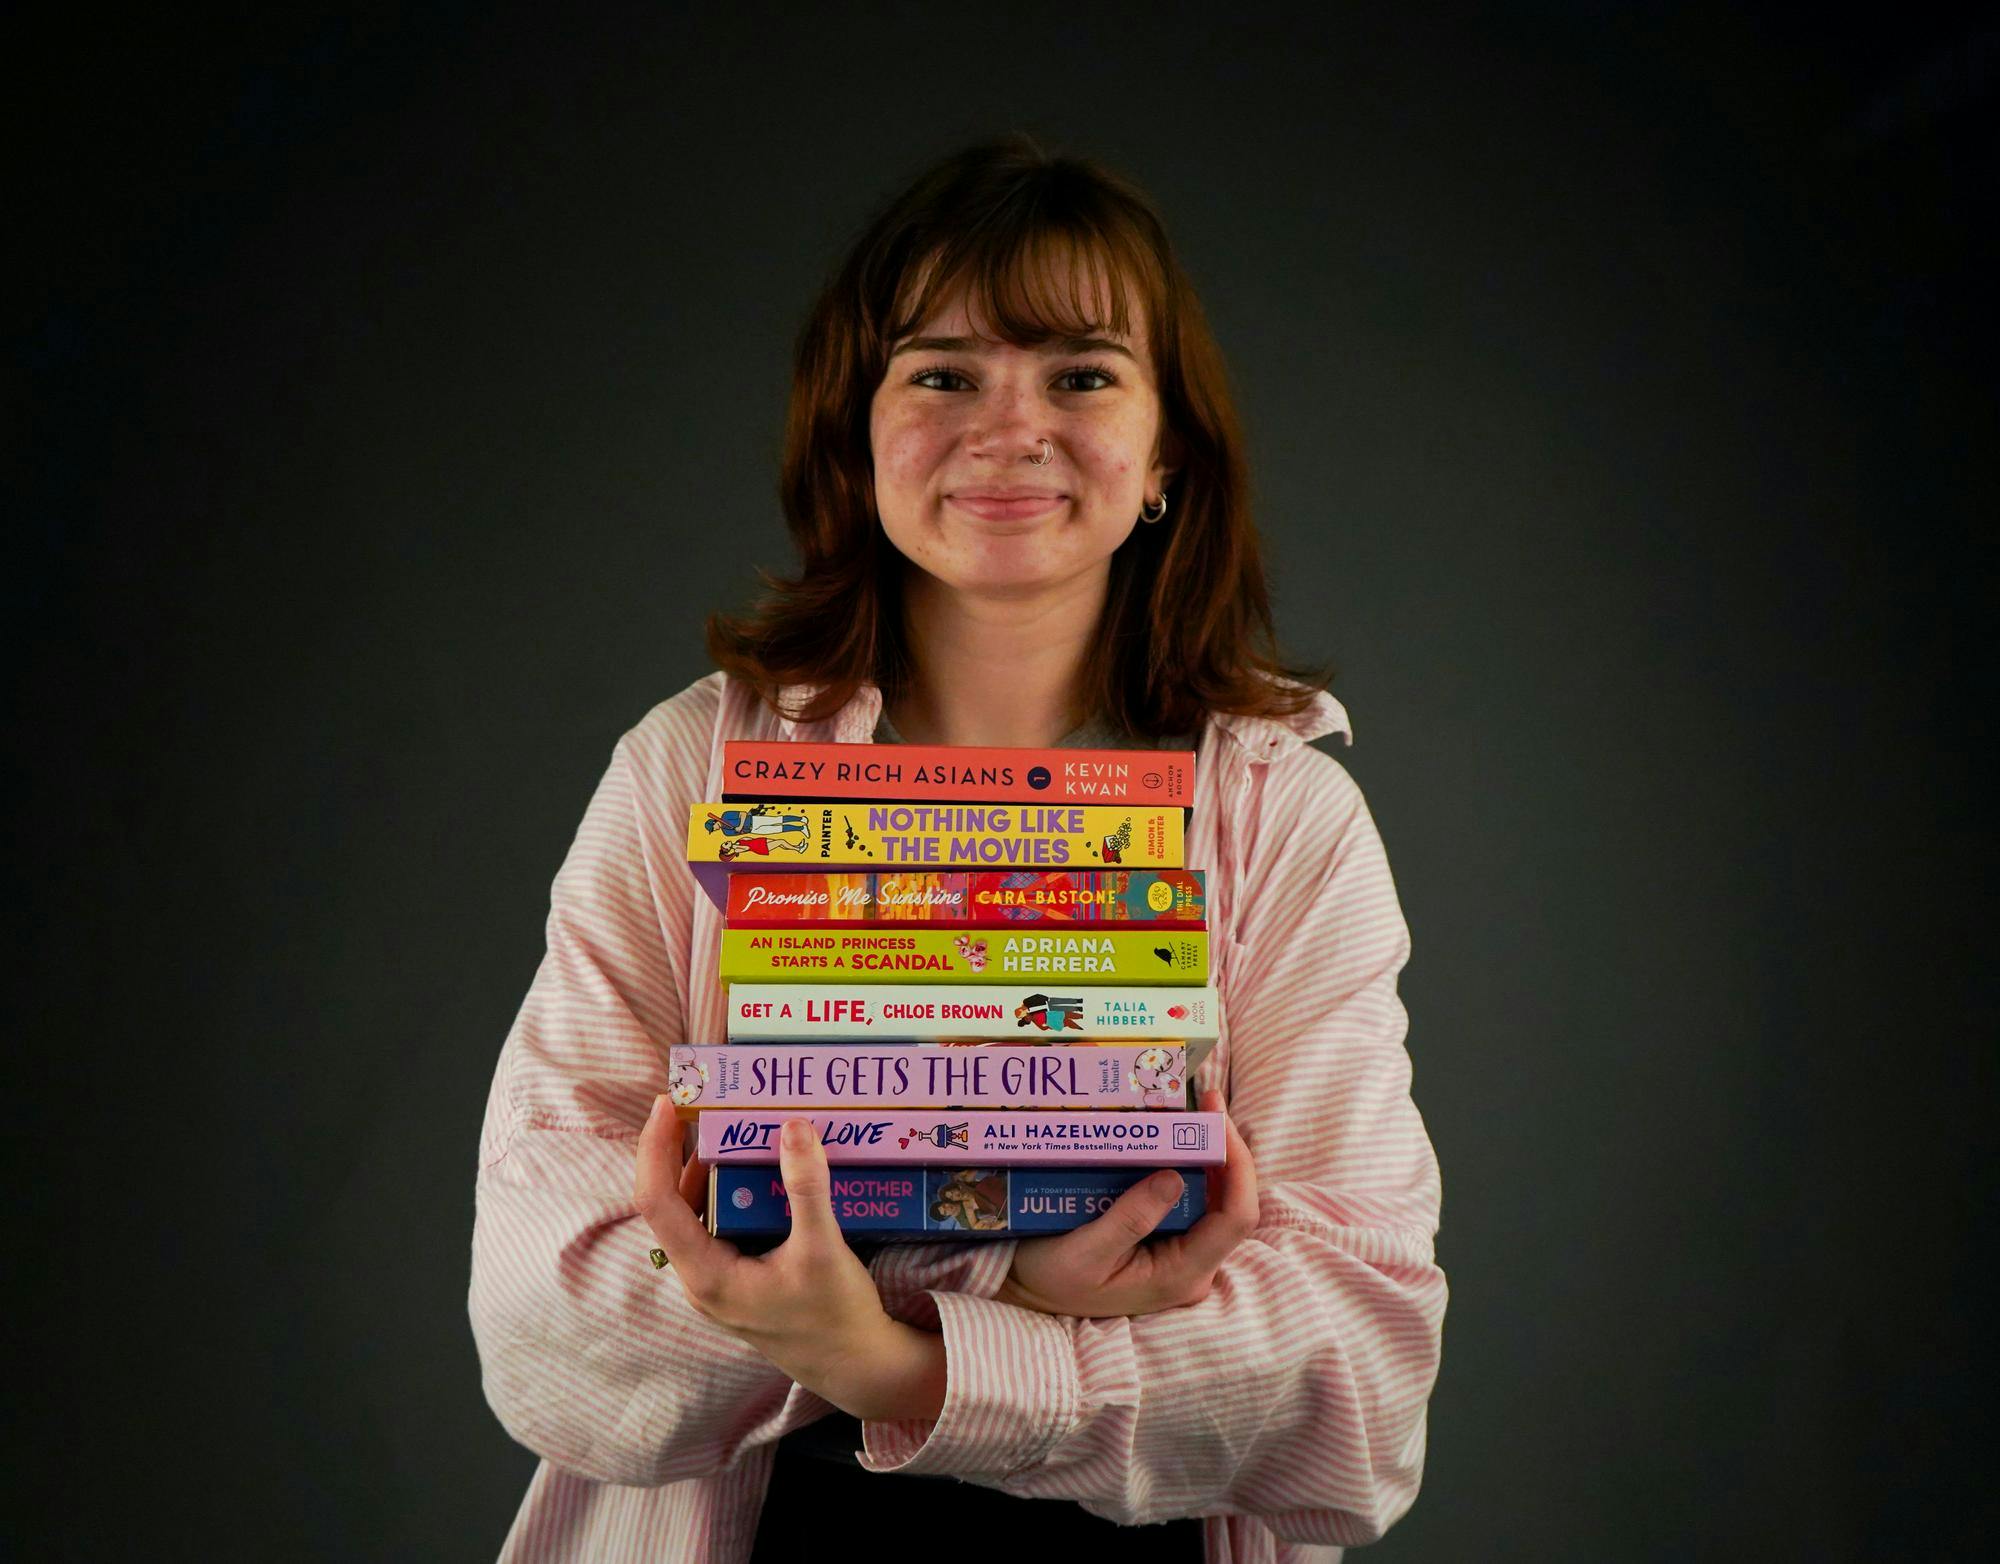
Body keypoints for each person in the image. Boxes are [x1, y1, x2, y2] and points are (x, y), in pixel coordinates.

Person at [469, 135, 1447, 1564]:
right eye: (940, 374)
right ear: (855, 431)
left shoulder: (1283, 820)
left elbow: (1354, 1375)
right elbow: (544, 1306)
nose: (1009, 427)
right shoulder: (691, 768)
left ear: (1166, 451)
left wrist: (884, 1356)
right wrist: (1023, 1281)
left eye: (1082, 374)